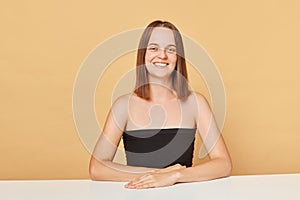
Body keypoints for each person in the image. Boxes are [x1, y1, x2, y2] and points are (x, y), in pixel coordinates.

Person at [89, 20, 232, 189]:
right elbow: (97, 168)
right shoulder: (122, 106)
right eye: (153, 48)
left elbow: (223, 164)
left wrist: (175, 175)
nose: (162, 55)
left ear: (178, 58)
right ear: (143, 54)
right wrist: (155, 175)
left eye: (171, 49)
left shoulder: (196, 103)